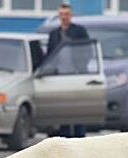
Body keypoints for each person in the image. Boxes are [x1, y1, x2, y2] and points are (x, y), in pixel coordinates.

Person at [47, 3, 89, 138]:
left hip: (77, 75)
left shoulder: (79, 31)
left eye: (66, 14)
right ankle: (64, 135)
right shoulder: (54, 34)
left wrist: (80, 66)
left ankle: (80, 135)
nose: (64, 17)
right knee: (63, 107)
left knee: (79, 107)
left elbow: (87, 51)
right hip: (60, 76)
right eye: (61, 15)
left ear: (71, 16)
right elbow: (50, 55)